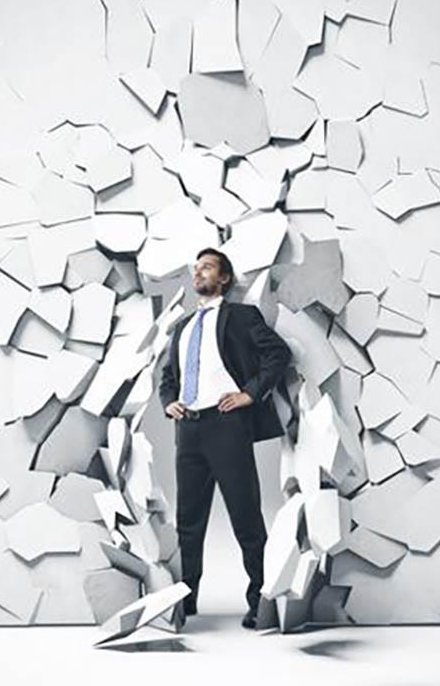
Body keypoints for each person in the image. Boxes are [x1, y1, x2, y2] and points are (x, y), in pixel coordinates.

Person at [158, 247, 292, 629]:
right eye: (196, 267)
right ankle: (187, 601)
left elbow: (278, 354)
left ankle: (260, 602)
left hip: (226, 425)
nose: (199, 272)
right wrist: (170, 402)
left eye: (208, 266)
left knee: (246, 518)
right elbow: (168, 377)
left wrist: (250, 393)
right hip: (188, 429)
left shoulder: (242, 316)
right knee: (188, 522)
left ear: (225, 278)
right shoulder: (183, 327)